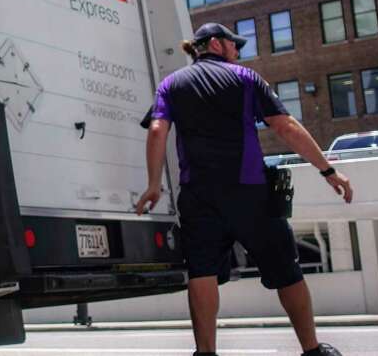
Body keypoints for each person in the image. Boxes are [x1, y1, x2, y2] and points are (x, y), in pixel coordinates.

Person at [135, 22, 354, 356]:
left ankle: (205, 352)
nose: (238, 51)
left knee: (202, 272)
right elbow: (286, 126)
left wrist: (153, 184)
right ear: (215, 44)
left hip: (198, 196)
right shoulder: (246, 78)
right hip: (250, 192)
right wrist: (328, 170)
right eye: (233, 44)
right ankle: (312, 350)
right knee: (286, 270)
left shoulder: (171, 84)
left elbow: (156, 131)